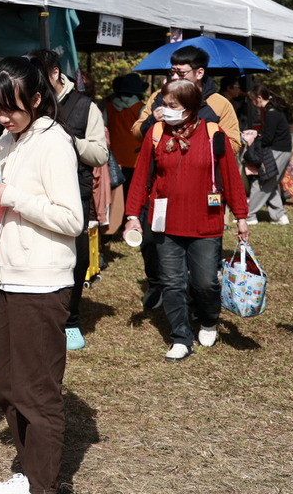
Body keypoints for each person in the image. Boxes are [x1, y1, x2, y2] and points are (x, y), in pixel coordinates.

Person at [0, 57, 83, 494]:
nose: (2, 117)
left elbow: (71, 218)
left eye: (11, 109)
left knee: (37, 393)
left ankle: (43, 485)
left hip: (42, 283)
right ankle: (29, 473)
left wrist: (12, 195)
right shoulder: (12, 136)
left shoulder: (54, 142)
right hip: (13, 276)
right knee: (11, 386)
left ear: (37, 100)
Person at [125, 78, 249, 361]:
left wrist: (241, 217)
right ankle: (180, 337)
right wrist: (132, 216)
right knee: (172, 282)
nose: (164, 110)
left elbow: (231, 177)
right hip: (165, 223)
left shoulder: (213, 134)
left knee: (205, 282)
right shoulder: (156, 133)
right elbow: (141, 176)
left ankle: (208, 319)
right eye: (163, 104)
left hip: (206, 221)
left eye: (172, 106)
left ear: (191, 107)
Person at [130, 45, 237, 310]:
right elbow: (135, 130)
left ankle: (201, 302)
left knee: (201, 260)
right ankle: (159, 285)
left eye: (182, 72)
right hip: (161, 185)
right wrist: (151, 123)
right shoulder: (159, 96)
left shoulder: (219, 103)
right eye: (172, 72)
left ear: (199, 73)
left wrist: (203, 140)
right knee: (153, 242)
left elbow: (233, 143)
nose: (175, 77)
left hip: (204, 189)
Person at [25, 50, 108, 352]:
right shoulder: (30, 102)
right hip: (34, 190)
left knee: (77, 256)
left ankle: (70, 320)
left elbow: (100, 155)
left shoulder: (86, 107)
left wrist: (71, 139)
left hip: (75, 191)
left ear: (56, 74)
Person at [244, 84, 293, 225]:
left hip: (276, 151)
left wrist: (255, 137)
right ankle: (279, 216)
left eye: (253, 100)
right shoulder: (273, 110)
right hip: (282, 150)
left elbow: (268, 138)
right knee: (271, 182)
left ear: (259, 98)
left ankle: (250, 215)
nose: (253, 103)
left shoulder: (271, 113)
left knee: (263, 181)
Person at [105, 73, 146, 196]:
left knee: (114, 196)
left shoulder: (109, 106)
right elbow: (143, 131)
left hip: (114, 157)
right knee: (131, 194)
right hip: (134, 158)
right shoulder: (141, 108)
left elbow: (104, 127)